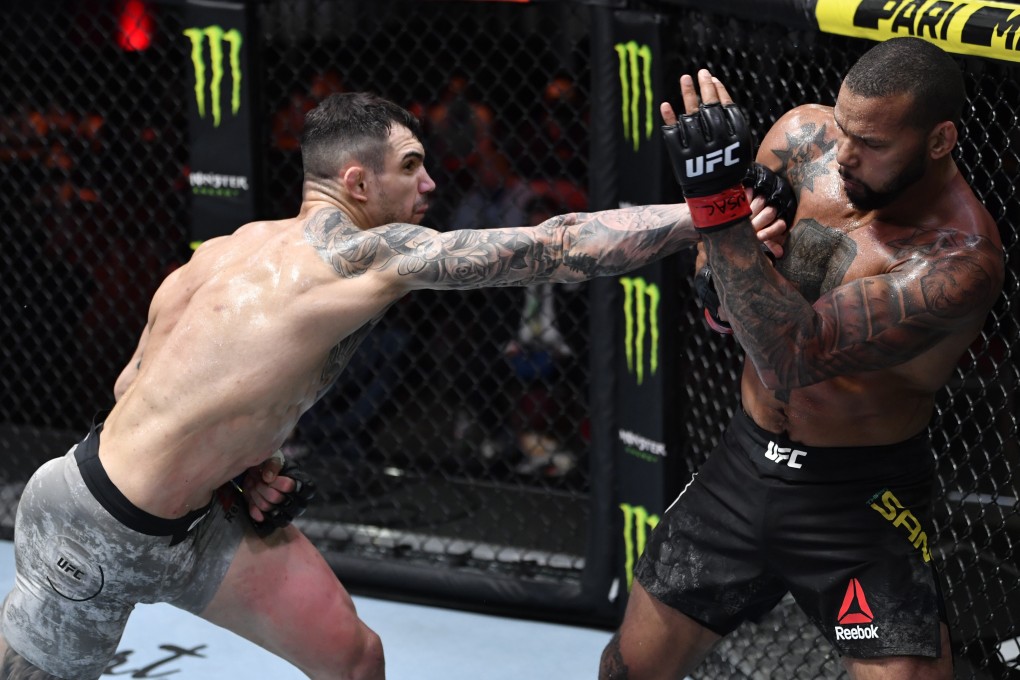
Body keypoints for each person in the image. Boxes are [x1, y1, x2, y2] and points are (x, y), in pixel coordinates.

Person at [0, 91, 788, 679]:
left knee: (355, 659)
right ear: (355, 180)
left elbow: (131, 382)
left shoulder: (226, 248)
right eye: (410, 167)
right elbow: (558, 245)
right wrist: (710, 213)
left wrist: (233, 470)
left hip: (202, 522)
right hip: (95, 525)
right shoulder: (356, 260)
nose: (429, 185)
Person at [600, 38, 1005, 680]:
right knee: (629, 667)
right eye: (844, 129)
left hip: (861, 496)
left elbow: (795, 357)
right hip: (744, 462)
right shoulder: (800, 138)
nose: (844, 154)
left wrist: (719, 211)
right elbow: (715, 285)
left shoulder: (958, 261)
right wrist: (729, 262)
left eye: (871, 144)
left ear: (939, 139)